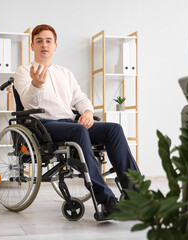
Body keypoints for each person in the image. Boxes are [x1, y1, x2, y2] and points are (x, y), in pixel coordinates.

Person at [14, 24, 139, 216]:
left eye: (48, 41)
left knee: (113, 129)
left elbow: (79, 98)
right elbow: (28, 103)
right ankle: (105, 198)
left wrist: (87, 113)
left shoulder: (65, 73)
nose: (44, 45)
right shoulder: (23, 71)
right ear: (32, 45)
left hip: (70, 122)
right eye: (39, 41)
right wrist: (37, 84)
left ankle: (136, 195)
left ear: (55, 46)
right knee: (79, 131)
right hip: (44, 125)